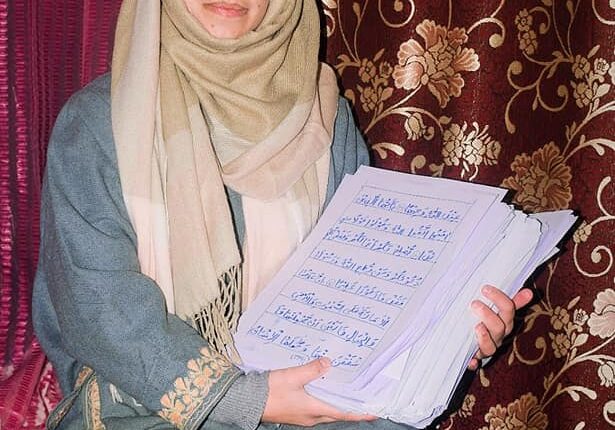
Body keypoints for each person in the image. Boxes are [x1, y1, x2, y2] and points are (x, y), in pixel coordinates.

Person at [32, 1, 533, 429]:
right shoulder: (99, 123)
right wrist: (244, 398)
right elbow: (99, 309)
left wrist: (451, 335)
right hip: (146, 404)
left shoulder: (324, 118)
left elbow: (361, 287)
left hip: (306, 393)